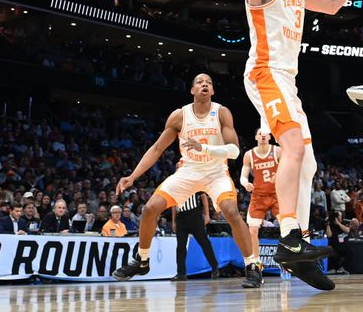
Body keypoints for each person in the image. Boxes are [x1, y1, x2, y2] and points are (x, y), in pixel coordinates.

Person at [191, 0, 363, 290]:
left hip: (289, 82)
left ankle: (299, 248)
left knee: (309, 162)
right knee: (290, 147)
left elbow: (336, 4)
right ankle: (289, 237)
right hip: (266, 74)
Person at [112, 72, 263, 288]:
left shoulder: (221, 112)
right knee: (150, 208)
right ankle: (142, 260)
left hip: (216, 172)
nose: (205, 84)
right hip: (189, 171)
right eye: (200, 82)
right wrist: (133, 176)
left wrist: (204, 148)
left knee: (231, 211)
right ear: (192, 90)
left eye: (209, 83)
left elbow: (234, 151)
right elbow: (156, 149)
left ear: (212, 91)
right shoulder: (179, 116)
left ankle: (252, 266)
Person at [240, 128, 281, 263]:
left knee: (288, 227)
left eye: (265, 134)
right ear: (256, 137)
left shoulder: (277, 151)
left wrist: (279, 175)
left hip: (276, 195)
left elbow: (289, 169)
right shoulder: (249, 155)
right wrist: (246, 184)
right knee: (252, 230)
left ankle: (290, 260)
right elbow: (243, 177)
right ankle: (256, 263)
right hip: (258, 196)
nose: (263, 136)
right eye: (260, 134)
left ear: (269, 137)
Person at [172, 191, 219, 281]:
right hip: (180, 217)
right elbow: (174, 204)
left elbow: (203, 196)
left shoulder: (193, 181)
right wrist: (174, 221)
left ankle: (214, 267)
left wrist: (207, 215)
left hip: (194, 215)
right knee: (180, 246)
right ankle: (181, 274)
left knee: (204, 242)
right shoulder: (176, 185)